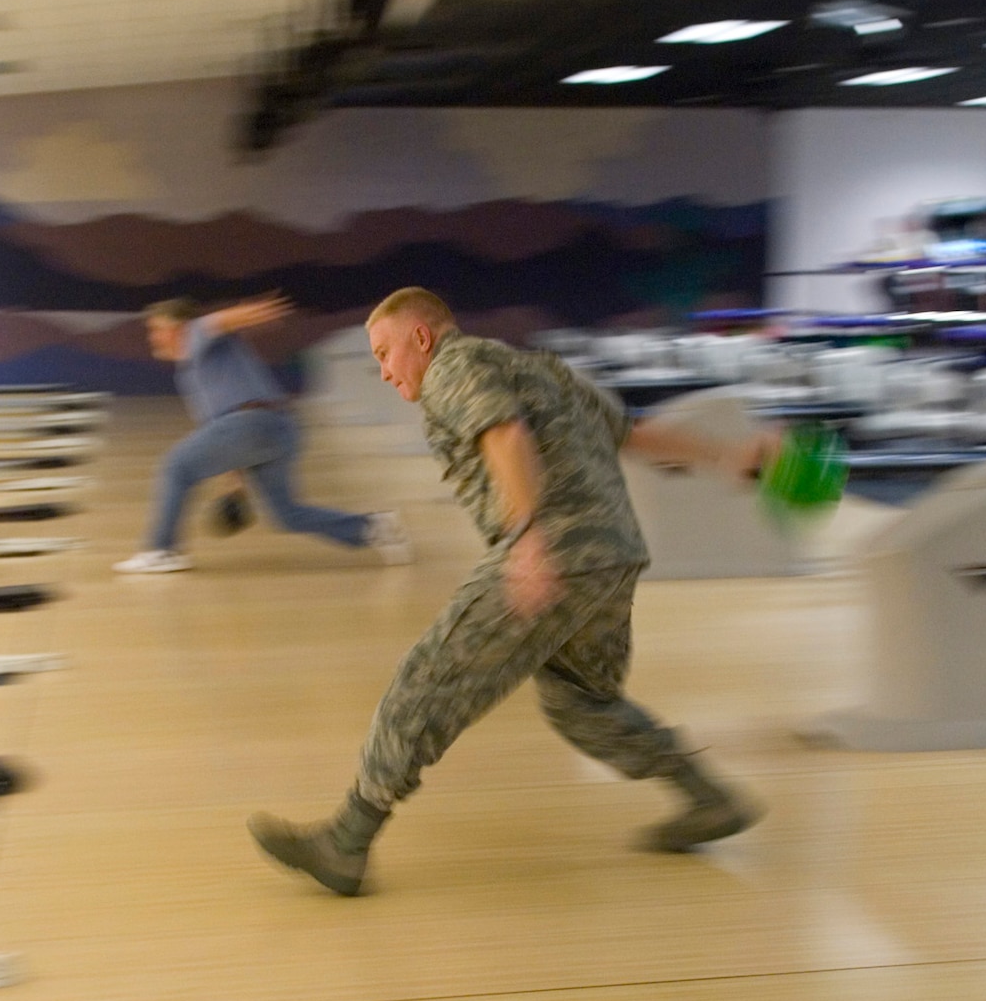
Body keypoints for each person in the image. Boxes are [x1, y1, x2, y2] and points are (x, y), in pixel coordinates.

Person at [248, 287, 773, 896]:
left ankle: (345, 843)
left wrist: (526, 537)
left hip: (557, 550)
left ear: (422, 337)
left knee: (428, 679)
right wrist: (727, 454)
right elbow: (630, 433)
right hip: (613, 555)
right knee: (582, 704)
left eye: (385, 353)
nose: (384, 371)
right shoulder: (539, 368)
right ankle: (707, 797)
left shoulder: (453, 367)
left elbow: (503, 430)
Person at [115, 294, 413, 574]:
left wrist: (257, 312)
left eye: (156, 329)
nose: (153, 337)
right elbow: (220, 432)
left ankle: (162, 550)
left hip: (252, 424)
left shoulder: (194, 334)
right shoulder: (193, 369)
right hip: (276, 429)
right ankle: (374, 527)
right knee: (287, 515)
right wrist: (235, 483)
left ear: (175, 328)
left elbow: (219, 321)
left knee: (177, 466)